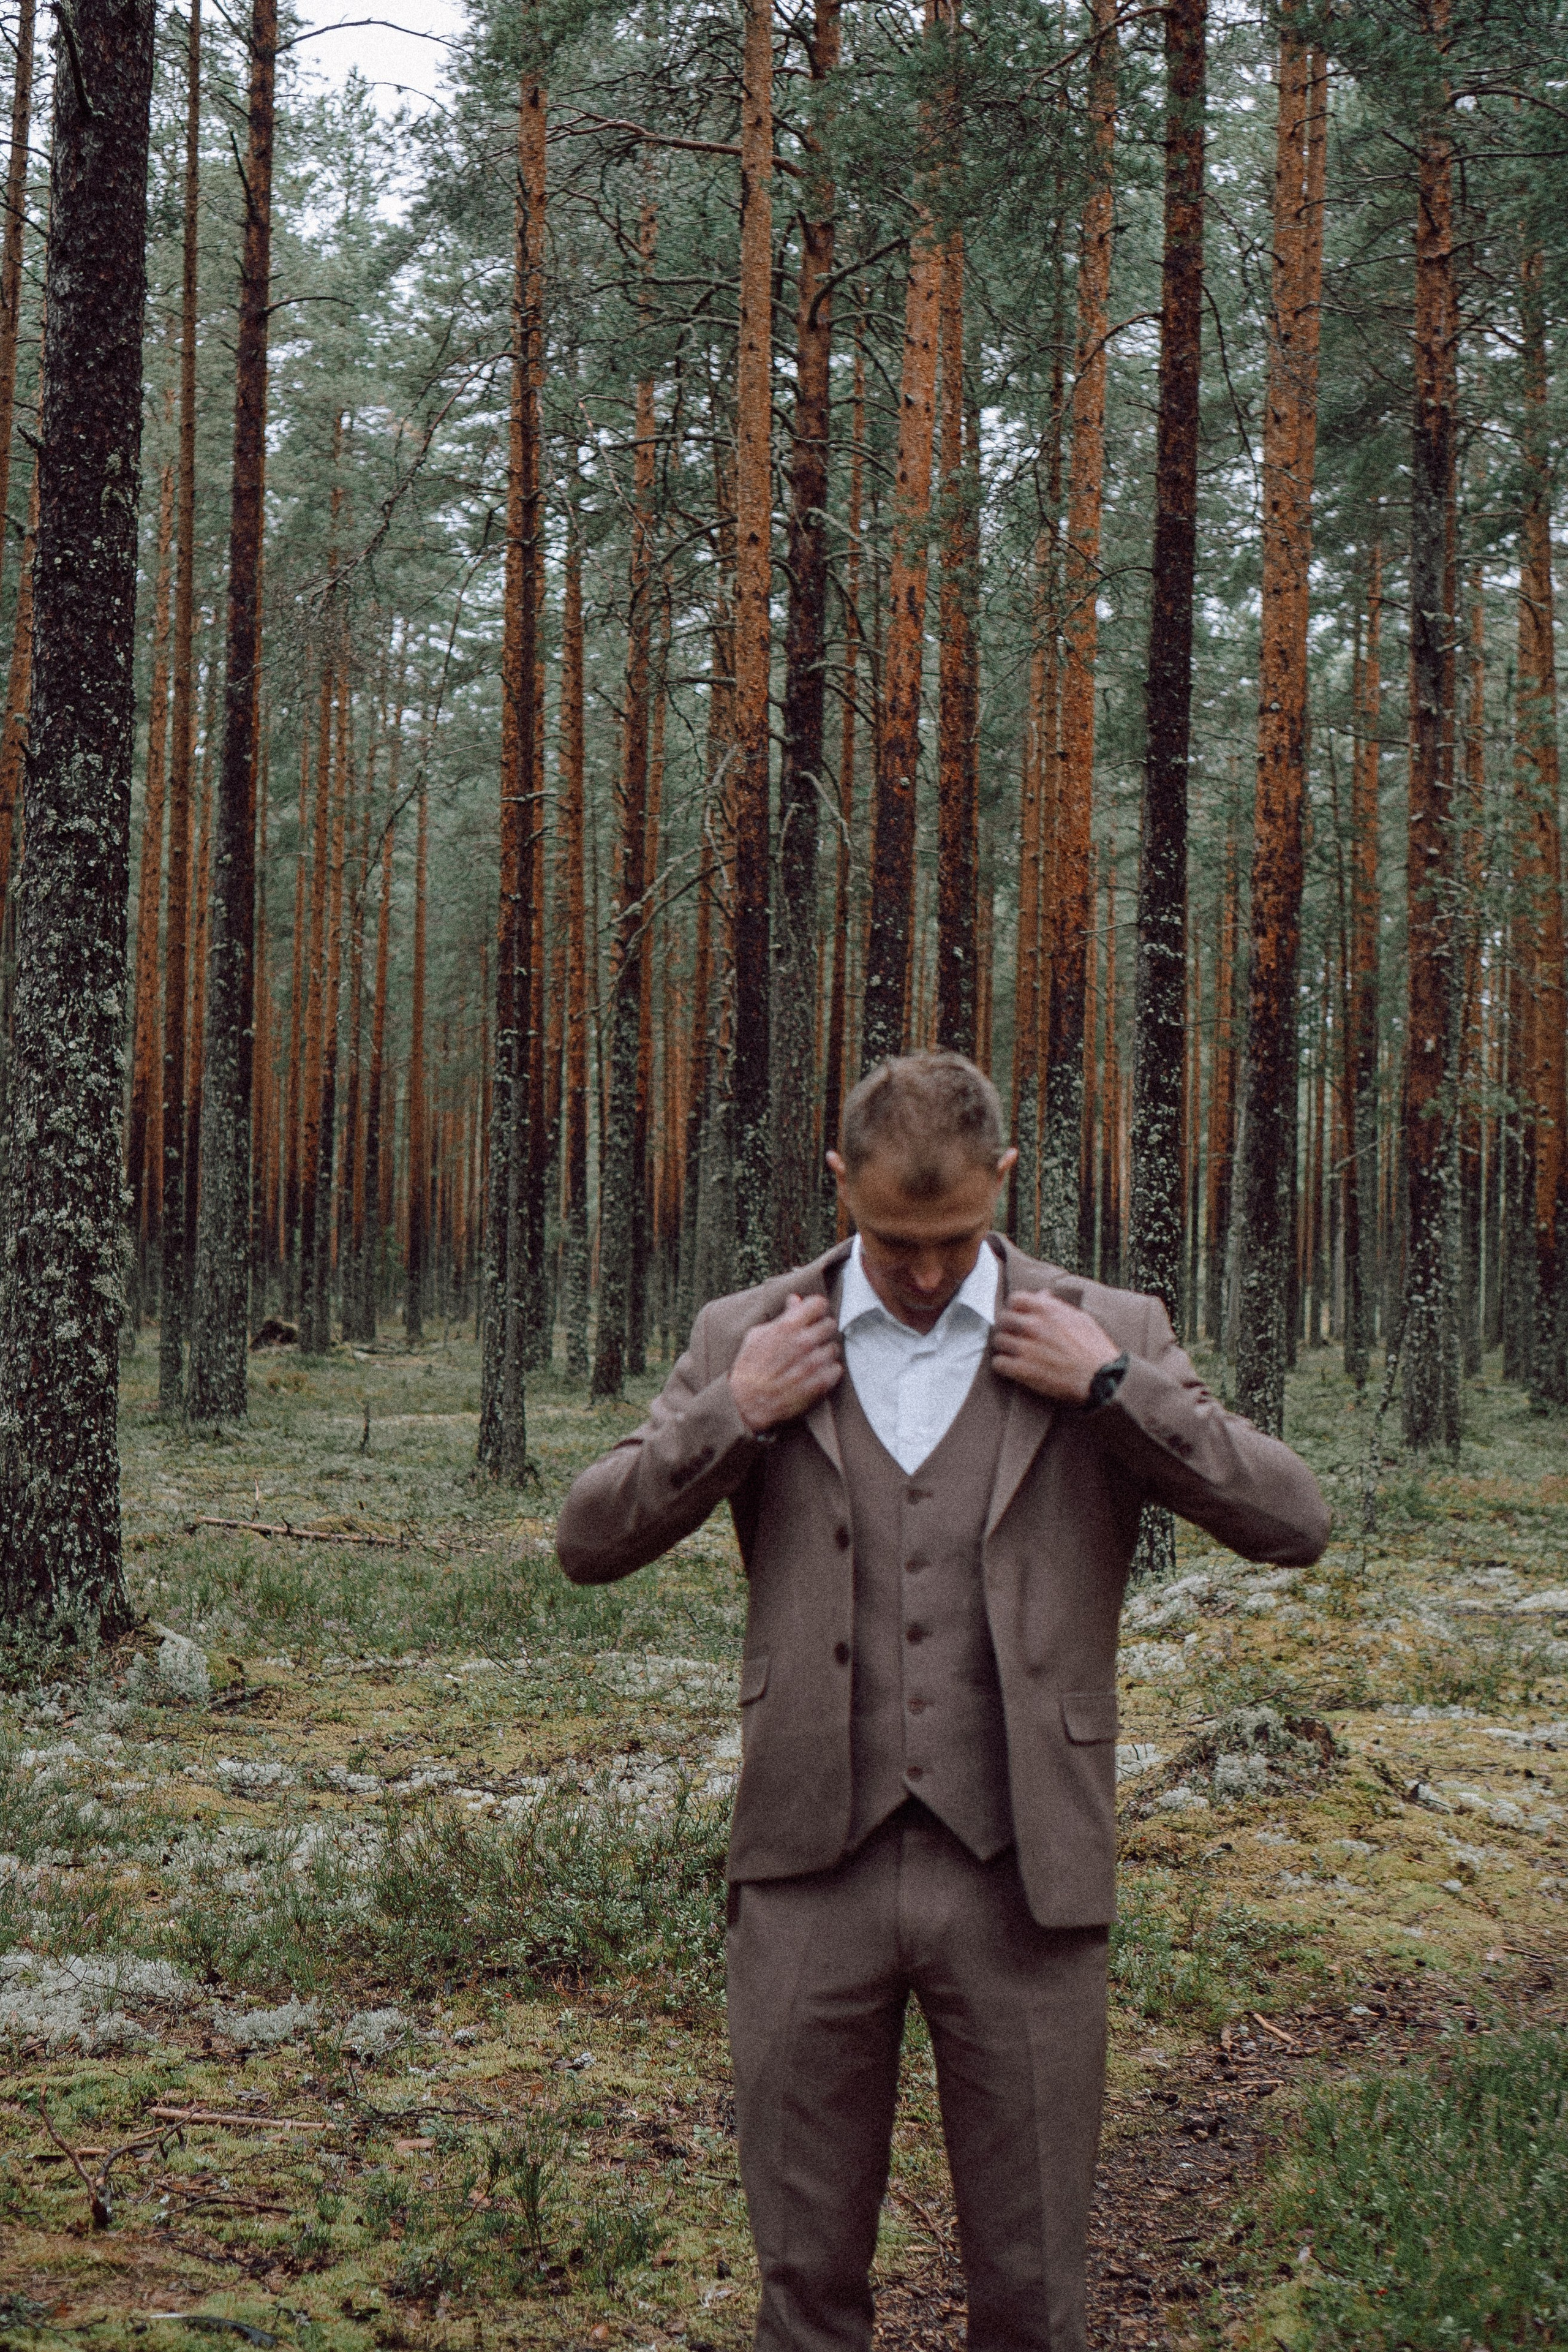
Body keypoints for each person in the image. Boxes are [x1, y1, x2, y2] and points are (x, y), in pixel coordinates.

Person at [556, 1052, 1329, 2352]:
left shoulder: (1110, 1330)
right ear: (836, 1184)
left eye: (956, 1238)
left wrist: (1111, 1389)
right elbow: (587, 1540)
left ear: (1006, 1185)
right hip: (808, 1865)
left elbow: (1291, 1518)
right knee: (802, 2288)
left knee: (1032, 2293)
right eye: (891, 1240)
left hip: (1024, 1872)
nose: (922, 1274)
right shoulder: (748, 1334)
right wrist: (731, 1416)